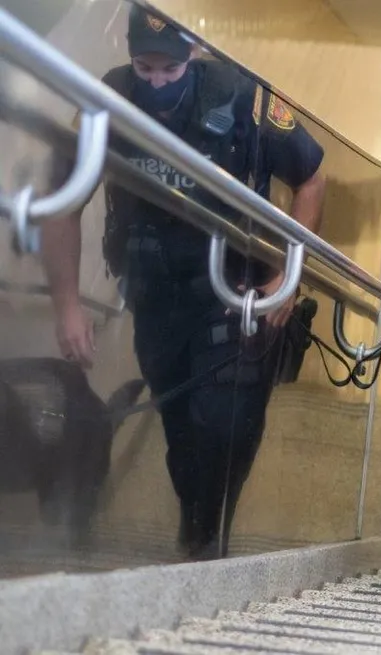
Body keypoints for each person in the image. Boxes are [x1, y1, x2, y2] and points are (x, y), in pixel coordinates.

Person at [40, 6, 326, 560]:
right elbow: (62, 203)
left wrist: (286, 279)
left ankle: (205, 541)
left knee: (226, 425)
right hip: (155, 297)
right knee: (180, 433)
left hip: (235, 295)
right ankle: (198, 534)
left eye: (168, 71)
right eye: (145, 70)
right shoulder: (108, 100)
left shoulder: (242, 94)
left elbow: (310, 176)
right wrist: (68, 306)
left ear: (192, 53)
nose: (156, 83)